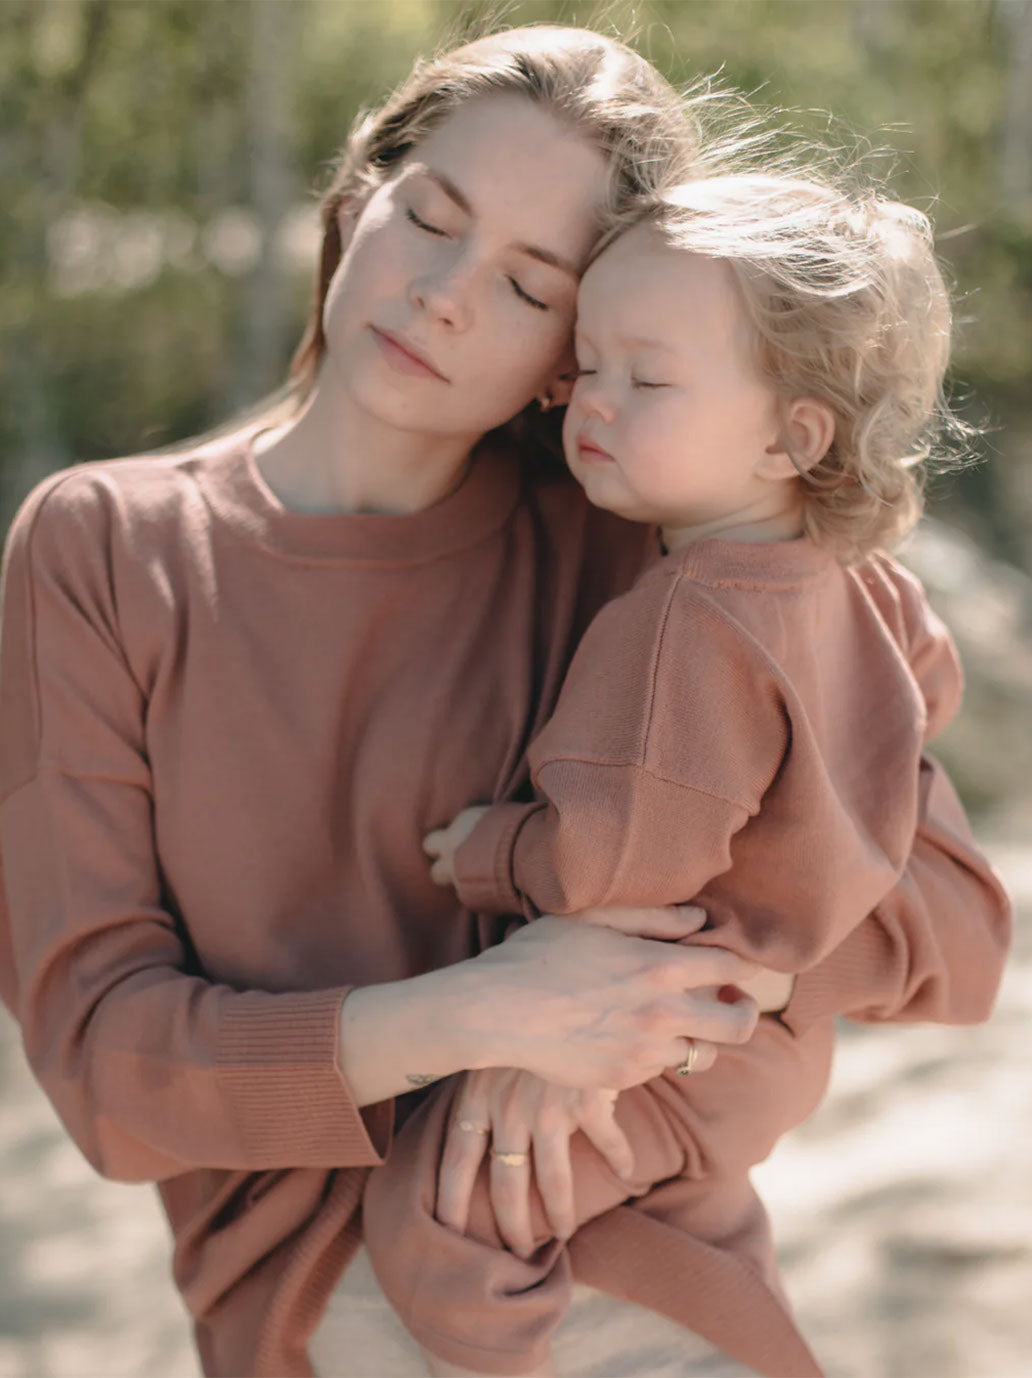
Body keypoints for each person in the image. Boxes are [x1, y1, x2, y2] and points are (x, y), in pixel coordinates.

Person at [0, 25, 1010, 1378]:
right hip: (334, 1289)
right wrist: (490, 1009)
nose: (444, 294)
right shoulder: (104, 552)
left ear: (574, 354)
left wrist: (635, 993)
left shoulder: (654, 542)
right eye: (430, 216)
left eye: (530, 284)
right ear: (357, 195)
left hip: (657, 1266)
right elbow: (110, 1065)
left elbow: (945, 922)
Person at [360, 167, 996, 1378]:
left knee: (442, 1214)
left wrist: (493, 847)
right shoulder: (855, 578)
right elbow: (926, 691)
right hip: (767, 1042)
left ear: (791, 434)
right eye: (586, 363)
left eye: (646, 380)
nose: (591, 402)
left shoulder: (680, 624)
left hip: (655, 1026)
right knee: (645, 1211)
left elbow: (610, 859)